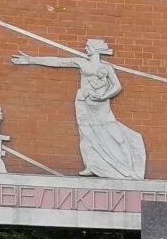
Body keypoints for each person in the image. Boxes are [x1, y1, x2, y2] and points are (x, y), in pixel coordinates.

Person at [11, 39, 146, 180]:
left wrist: (103, 96)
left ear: (95, 49)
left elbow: (117, 86)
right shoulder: (82, 63)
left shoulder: (107, 68)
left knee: (114, 134)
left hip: (100, 104)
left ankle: (127, 166)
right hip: (83, 102)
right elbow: (59, 62)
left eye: (88, 46)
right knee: (86, 134)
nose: (86, 48)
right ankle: (92, 165)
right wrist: (31, 60)